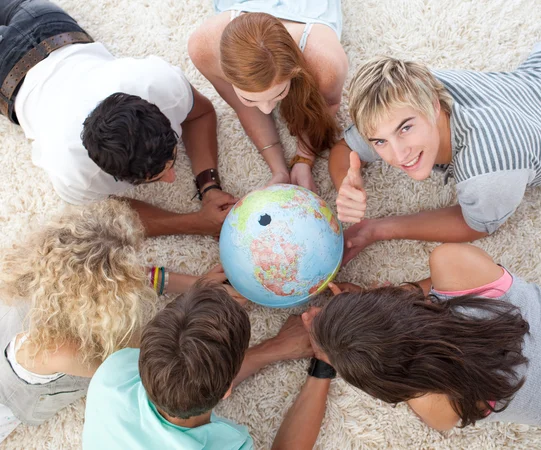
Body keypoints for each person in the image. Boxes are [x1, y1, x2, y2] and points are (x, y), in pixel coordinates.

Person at [330, 0, 541, 263]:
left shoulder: (489, 172)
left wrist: (377, 228)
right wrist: (345, 184)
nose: (398, 154)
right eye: (380, 141)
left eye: (406, 128)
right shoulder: (412, 89)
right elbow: (345, 147)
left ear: (434, 106)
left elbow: (477, 225)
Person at [306, 243, 541, 442]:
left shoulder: (443, 405)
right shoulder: (451, 262)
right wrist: (384, 303)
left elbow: (417, 389)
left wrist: (335, 353)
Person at [0, 199, 237, 443]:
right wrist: (197, 302)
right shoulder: (64, 350)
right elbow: (156, 362)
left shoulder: (51, 269)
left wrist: (197, 284)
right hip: (14, 401)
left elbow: (131, 277)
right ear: (97, 308)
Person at [0, 0, 236, 237]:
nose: (172, 178)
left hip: (49, 25)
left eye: (172, 161)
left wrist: (209, 186)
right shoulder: (74, 173)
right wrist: (196, 223)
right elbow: (111, 218)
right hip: (8, 76)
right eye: (154, 178)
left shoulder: (158, 83)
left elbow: (201, 114)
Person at [82, 283, 335, 450]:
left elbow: (184, 370)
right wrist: (324, 361)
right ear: (227, 390)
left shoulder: (112, 374)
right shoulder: (232, 445)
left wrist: (277, 347)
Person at [188, 1, 348, 192]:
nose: (267, 109)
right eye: (250, 99)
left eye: (279, 93)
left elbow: (328, 106)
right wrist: (278, 169)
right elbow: (242, 108)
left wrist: (304, 159)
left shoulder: (326, 63)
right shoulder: (203, 46)